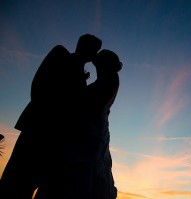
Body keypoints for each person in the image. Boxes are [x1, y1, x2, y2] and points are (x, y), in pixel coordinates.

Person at [0, 34, 102, 199]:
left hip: (58, 138)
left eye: (95, 51)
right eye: (93, 49)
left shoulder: (81, 71)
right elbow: (38, 86)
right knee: (17, 178)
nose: (94, 54)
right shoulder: (60, 53)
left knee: (35, 181)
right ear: (83, 46)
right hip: (39, 128)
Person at [34, 49, 122, 199]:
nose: (95, 62)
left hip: (91, 136)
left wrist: (76, 85)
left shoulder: (109, 79)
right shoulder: (106, 79)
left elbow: (86, 103)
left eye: (99, 60)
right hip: (92, 134)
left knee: (81, 177)